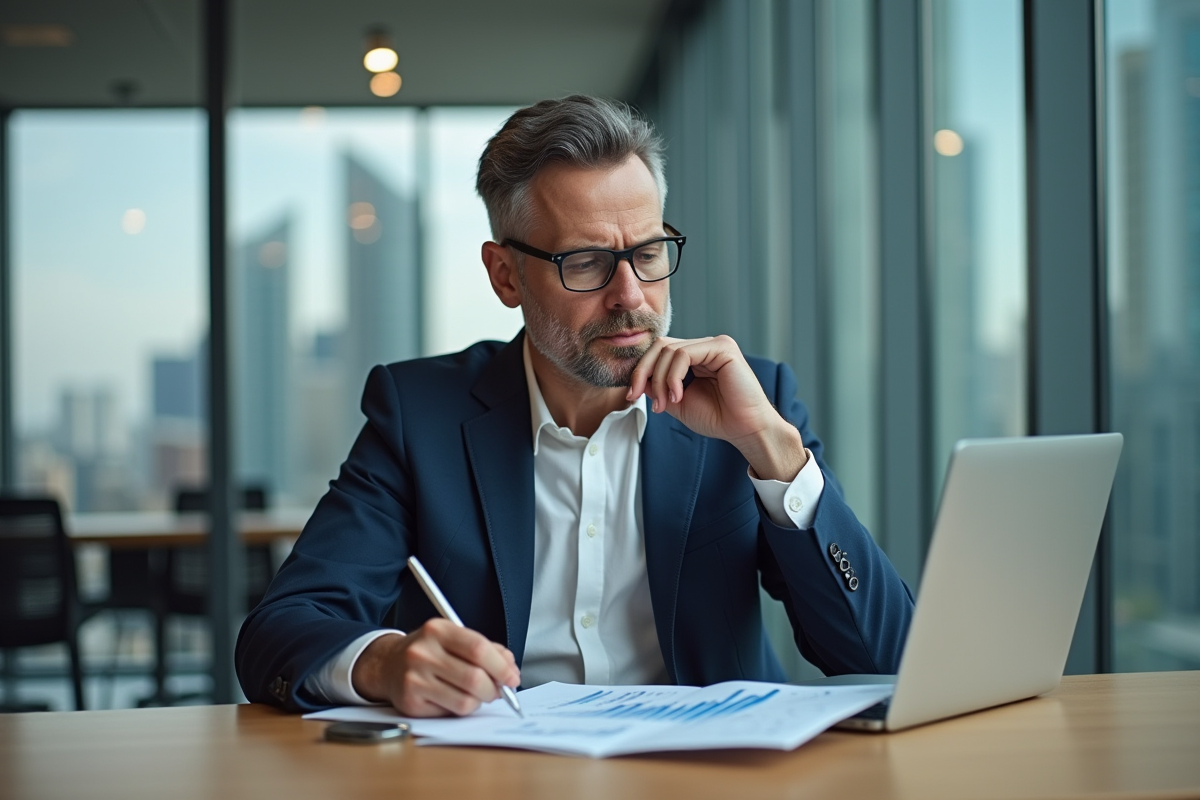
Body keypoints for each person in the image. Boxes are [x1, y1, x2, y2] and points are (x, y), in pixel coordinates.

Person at [236, 95, 914, 717]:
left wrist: (774, 453)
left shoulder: (752, 402)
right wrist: (382, 663)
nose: (631, 296)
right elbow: (279, 631)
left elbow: (881, 656)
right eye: (586, 262)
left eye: (648, 252)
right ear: (507, 275)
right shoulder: (421, 415)